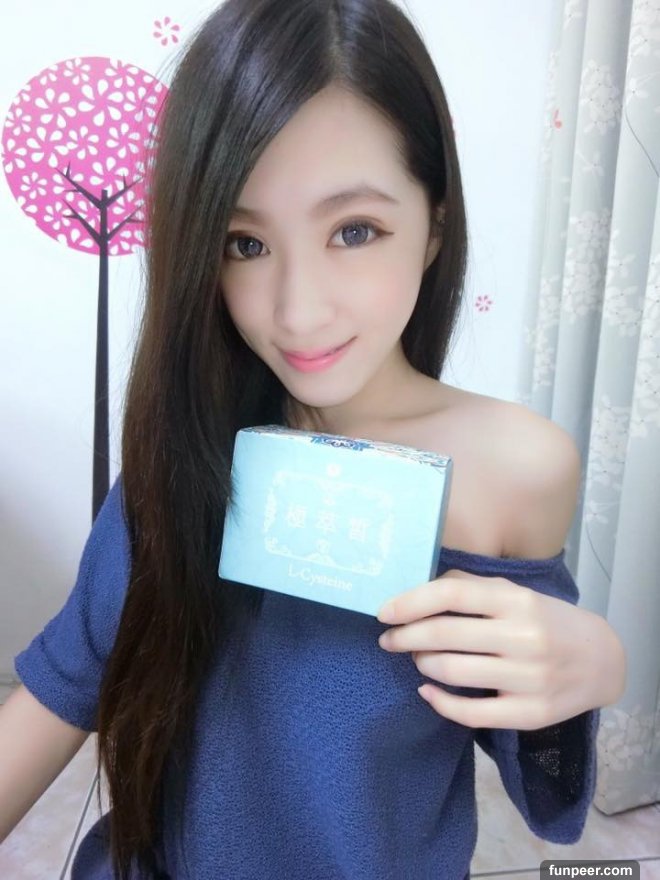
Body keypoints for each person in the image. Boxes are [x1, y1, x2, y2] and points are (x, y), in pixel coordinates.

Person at [0, 0, 626, 878]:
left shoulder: (513, 468)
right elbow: (67, 682)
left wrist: (590, 666)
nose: (297, 311)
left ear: (435, 223)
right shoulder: (186, 445)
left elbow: (527, 746)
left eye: (354, 231)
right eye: (244, 243)